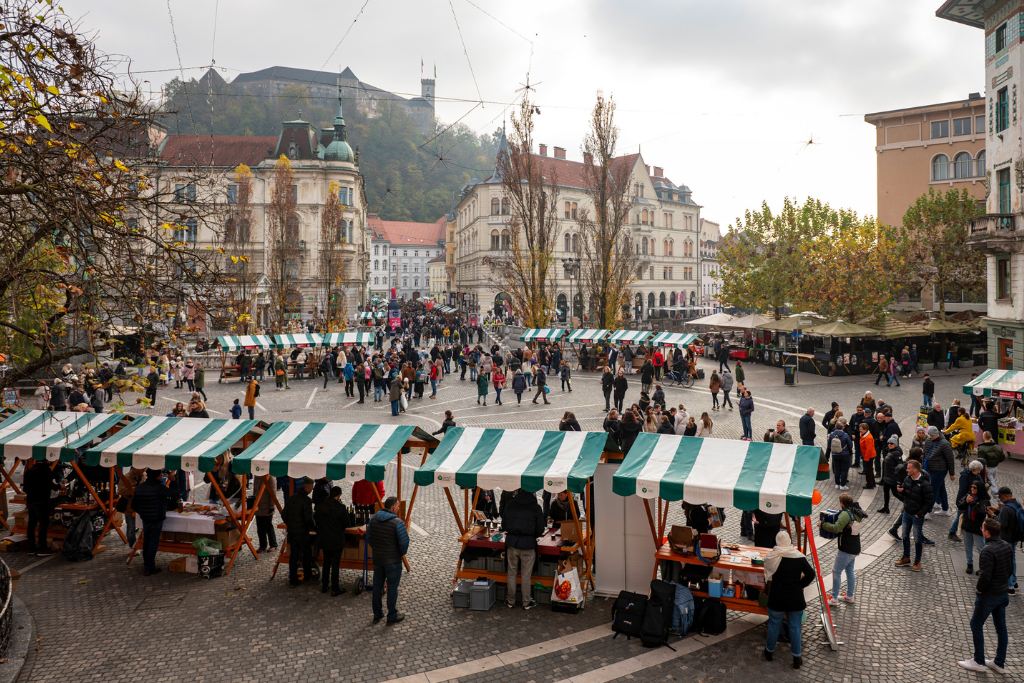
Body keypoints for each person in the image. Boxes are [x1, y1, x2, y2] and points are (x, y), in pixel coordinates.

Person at [958, 518, 1013, 673]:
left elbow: (985, 575)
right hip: (1002, 593)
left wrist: (979, 589)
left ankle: (979, 661)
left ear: (987, 533)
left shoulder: (987, 550)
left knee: (976, 623)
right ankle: (999, 663)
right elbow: (1010, 569)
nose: (981, 529)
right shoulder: (1006, 546)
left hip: (989, 595)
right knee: (1001, 628)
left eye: (982, 528)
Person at [762, 531, 815, 669]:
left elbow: (767, 574)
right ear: (789, 541)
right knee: (795, 628)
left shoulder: (772, 557)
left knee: (774, 627)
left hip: (777, 598)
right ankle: (797, 658)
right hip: (795, 599)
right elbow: (811, 574)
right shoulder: (798, 557)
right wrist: (799, 585)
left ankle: (769, 652)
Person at [368, 496, 410, 624]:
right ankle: (391, 616)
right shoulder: (397, 523)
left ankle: (377, 614)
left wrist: (377, 549)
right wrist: (399, 554)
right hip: (393, 562)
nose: (398, 508)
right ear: (393, 507)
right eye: (398, 506)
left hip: (378, 560)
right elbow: (404, 544)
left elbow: (369, 538)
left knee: (377, 587)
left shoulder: (373, 519)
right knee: (392, 588)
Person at [502, 488, 545, 609]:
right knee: (526, 575)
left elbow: (504, 525)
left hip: (512, 543)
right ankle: (526, 601)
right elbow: (540, 529)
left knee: (511, 573)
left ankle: (510, 600)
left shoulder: (510, 505)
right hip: (527, 544)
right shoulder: (536, 508)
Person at [821, 493, 866, 606]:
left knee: (836, 571)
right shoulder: (856, 512)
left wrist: (823, 525)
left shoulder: (846, 514)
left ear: (842, 503)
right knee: (849, 571)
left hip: (846, 548)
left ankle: (834, 598)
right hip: (854, 546)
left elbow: (836, 528)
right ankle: (849, 596)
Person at [132, 469, 179, 576]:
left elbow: (134, 505)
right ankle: (149, 566)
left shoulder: (140, 488)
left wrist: (143, 512)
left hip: (146, 518)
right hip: (156, 518)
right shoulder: (159, 488)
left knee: (147, 541)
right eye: (160, 475)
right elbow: (175, 493)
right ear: (157, 476)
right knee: (153, 541)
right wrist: (173, 481)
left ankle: (147, 563)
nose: (161, 477)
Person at [895, 459, 933, 572]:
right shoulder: (907, 479)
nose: (906, 470)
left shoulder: (925, 484)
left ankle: (917, 561)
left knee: (917, 538)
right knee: (905, 536)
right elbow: (906, 494)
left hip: (916, 515)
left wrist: (920, 514)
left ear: (915, 470)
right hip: (907, 512)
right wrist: (901, 491)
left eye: (908, 468)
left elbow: (929, 502)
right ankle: (906, 557)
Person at [315, 486, 351, 596]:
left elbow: (316, 521)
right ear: (339, 495)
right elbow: (347, 523)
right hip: (336, 540)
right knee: (335, 564)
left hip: (324, 539)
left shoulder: (320, 507)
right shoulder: (341, 508)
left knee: (326, 562)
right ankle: (335, 588)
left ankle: (325, 585)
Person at [283, 477, 316, 588]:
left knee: (294, 556)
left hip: (292, 532)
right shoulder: (306, 501)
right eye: (312, 487)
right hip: (302, 532)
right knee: (307, 554)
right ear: (307, 488)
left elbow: (284, 514)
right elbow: (308, 519)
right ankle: (307, 577)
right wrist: (314, 528)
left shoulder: (292, 498)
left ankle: (293, 580)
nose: (312, 489)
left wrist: (290, 524)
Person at [24, 459, 61, 556]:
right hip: (42, 501)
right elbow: (50, 484)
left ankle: (31, 547)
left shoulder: (29, 471)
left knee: (31, 524)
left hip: (31, 501)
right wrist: (59, 487)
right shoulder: (46, 470)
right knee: (43, 524)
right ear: (47, 461)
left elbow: (25, 488)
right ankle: (42, 547)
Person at [958, 474, 991, 575]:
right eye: (971, 487)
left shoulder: (985, 501)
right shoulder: (969, 496)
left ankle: (983, 567)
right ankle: (969, 564)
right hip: (967, 525)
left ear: (979, 489)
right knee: (968, 546)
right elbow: (960, 506)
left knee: (981, 548)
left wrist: (972, 503)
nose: (972, 489)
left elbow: (981, 512)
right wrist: (966, 502)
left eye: (974, 487)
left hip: (977, 527)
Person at [992, 486, 1021, 596]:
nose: (1000, 499)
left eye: (1000, 496)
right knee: (1012, 559)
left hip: (1006, 538)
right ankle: (1014, 582)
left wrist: (993, 516)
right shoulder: (1017, 504)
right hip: (1015, 538)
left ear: (1005, 495)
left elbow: (1001, 524)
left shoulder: (1005, 508)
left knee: (1006, 563)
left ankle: (1010, 587)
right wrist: (997, 511)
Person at [924, 426, 956, 515]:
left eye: (932, 435)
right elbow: (925, 454)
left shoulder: (944, 444)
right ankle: (945, 508)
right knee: (941, 489)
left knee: (933, 490)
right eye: (930, 435)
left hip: (939, 470)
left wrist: (952, 473)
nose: (931, 437)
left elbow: (950, 459)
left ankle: (927, 511)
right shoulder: (928, 440)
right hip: (930, 468)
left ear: (937, 434)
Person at [253, 475, 279, 553]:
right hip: (258, 506)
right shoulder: (256, 476)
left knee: (268, 526)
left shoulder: (270, 477)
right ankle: (262, 545)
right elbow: (255, 490)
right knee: (260, 527)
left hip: (266, 506)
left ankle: (273, 544)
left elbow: (273, 492)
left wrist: (271, 506)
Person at [880, 435, 903, 514]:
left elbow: (900, 465)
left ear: (895, 444)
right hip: (887, 477)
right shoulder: (890, 451)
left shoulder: (896, 453)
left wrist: (895, 473)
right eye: (888, 443)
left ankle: (907, 504)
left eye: (891, 443)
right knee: (886, 492)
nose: (889, 445)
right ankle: (886, 507)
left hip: (892, 477)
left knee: (895, 493)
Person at [827, 418, 853, 490]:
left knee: (837, 469)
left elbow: (829, 445)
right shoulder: (845, 435)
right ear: (843, 428)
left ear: (835, 427)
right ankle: (843, 485)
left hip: (835, 454)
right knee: (844, 470)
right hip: (844, 455)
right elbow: (850, 445)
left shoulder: (832, 435)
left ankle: (837, 484)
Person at [858, 423, 876, 489]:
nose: (860, 430)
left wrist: (866, 458)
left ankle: (869, 484)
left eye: (861, 429)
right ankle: (872, 483)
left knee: (868, 471)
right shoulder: (864, 435)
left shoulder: (868, 438)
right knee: (870, 469)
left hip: (869, 456)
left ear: (865, 430)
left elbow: (869, 449)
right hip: (868, 455)